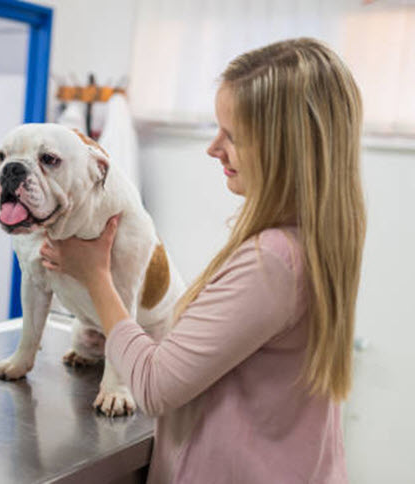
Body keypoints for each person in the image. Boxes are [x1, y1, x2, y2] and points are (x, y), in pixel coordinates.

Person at [40, 38, 364, 483]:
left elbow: (154, 388)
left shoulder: (272, 261)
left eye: (232, 136)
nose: (214, 149)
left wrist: (95, 275)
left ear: (285, 147)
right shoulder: (318, 238)